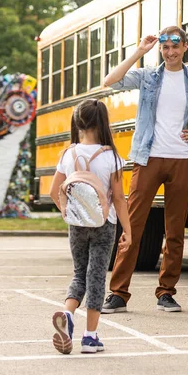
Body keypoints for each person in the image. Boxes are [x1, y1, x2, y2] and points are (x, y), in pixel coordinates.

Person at [101, 26, 188, 314]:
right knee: (131, 228)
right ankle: (118, 294)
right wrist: (139, 51)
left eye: (175, 47)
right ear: (161, 49)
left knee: (174, 231)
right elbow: (110, 81)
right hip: (148, 159)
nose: (170, 52)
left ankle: (166, 293)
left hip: (181, 161)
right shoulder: (149, 76)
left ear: (185, 47)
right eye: (165, 48)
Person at [48, 99, 131, 354]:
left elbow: (54, 191)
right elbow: (118, 198)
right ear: (103, 122)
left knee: (78, 273)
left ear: (78, 123)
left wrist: (69, 211)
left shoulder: (68, 154)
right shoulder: (111, 156)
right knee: (96, 277)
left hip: (76, 224)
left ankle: (67, 312)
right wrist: (128, 231)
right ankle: (90, 337)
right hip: (103, 224)